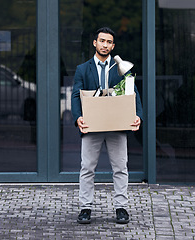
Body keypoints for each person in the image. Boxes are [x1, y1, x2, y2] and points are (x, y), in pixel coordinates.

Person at [71, 27, 143, 224]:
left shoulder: (121, 67)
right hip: (92, 125)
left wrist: (138, 116)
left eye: (109, 42)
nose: (105, 45)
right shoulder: (82, 69)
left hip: (117, 125)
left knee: (120, 168)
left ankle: (121, 207)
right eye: (102, 41)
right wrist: (78, 117)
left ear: (113, 46)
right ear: (95, 43)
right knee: (87, 168)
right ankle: (85, 208)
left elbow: (132, 92)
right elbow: (76, 95)